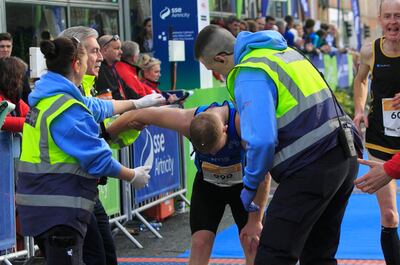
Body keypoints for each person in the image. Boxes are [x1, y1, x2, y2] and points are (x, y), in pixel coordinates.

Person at [194, 25, 361, 265]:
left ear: (221, 57)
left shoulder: (249, 70)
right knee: (318, 255)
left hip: (311, 165)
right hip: (344, 154)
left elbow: (261, 141)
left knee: (273, 256)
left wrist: (249, 186)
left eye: (215, 69)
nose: (219, 76)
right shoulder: (283, 53)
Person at [15, 37, 152, 265]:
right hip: (59, 206)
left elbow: (96, 107)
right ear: (77, 64)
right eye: (90, 55)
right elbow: (96, 158)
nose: (95, 60)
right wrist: (133, 175)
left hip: (46, 203)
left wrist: (137, 103)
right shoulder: (66, 107)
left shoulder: (51, 97)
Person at [106, 101, 270, 265]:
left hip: (243, 187)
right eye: (207, 152)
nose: (214, 154)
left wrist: (255, 222)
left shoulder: (242, 124)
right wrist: (104, 136)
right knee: (199, 242)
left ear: (224, 129)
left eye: (216, 149)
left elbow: (263, 174)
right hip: (209, 185)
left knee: (252, 242)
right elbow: (138, 114)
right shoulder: (184, 121)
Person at [58, 26, 165, 265]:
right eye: (95, 51)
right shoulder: (66, 93)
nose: (100, 57)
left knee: (106, 255)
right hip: (65, 193)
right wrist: (130, 175)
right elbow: (95, 145)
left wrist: (136, 111)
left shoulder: (83, 87)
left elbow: (106, 121)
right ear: (77, 56)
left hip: (82, 189)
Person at [353, 1, 400, 264]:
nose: (394, 22)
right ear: (380, 19)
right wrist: (359, 109)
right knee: (390, 215)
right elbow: (360, 79)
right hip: (381, 142)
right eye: (389, 17)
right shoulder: (370, 51)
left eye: (399, 16)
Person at [96, 34, 139, 100]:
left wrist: (142, 100)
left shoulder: (111, 68)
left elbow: (127, 90)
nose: (121, 52)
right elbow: (114, 96)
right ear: (105, 50)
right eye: (117, 48)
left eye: (120, 48)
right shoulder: (100, 70)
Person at [0, 32, 31, 103]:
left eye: (8, 46)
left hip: (18, 109)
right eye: (2, 46)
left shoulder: (20, 67)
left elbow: (26, 93)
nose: (5, 50)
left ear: (12, 47)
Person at [0, 56, 29, 132]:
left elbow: (33, 117)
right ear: (10, 77)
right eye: (18, 76)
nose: (20, 80)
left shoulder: (13, 96)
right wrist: (28, 122)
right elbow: (3, 120)